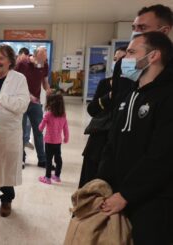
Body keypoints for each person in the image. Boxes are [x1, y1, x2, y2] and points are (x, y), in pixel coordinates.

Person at [98, 32, 173, 244]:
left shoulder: (167, 96)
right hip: (117, 194)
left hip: (153, 201)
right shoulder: (129, 94)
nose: (124, 59)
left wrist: (127, 194)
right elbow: (111, 145)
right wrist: (101, 183)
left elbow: (162, 155)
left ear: (153, 56)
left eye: (131, 52)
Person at [0, 44, 29, 217]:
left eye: (1, 58)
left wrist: (0, 98)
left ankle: (7, 199)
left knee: (7, 165)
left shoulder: (19, 79)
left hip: (9, 132)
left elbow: (22, 105)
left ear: (10, 61)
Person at [78, 47, 127, 188]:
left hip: (118, 142)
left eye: (123, 58)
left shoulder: (135, 87)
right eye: (115, 59)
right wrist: (109, 96)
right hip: (99, 138)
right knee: (90, 180)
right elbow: (92, 109)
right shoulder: (105, 84)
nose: (118, 62)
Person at [111, 4, 173, 110]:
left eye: (142, 27)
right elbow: (116, 99)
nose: (135, 32)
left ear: (164, 31)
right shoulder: (123, 62)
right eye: (134, 27)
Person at [15, 46, 52, 168]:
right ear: (35, 56)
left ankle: (42, 160)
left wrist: (48, 90)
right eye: (41, 60)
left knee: (39, 130)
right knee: (21, 132)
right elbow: (14, 81)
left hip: (35, 103)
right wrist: (27, 95)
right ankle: (21, 159)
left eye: (44, 61)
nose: (42, 64)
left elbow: (44, 81)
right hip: (22, 101)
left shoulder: (44, 65)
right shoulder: (22, 64)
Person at [38, 93, 69, 184]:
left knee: (48, 160)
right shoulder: (63, 115)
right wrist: (66, 137)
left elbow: (40, 127)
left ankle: (47, 178)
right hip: (58, 142)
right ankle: (57, 176)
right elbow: (65, 128)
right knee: (58, 159)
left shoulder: (48, 114)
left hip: (49, 141)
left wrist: (40, 125)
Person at [16, 47, 34, 151]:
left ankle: (26, 141)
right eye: (25, 56)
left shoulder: (26, 65)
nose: (26, 58)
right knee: (23, 123)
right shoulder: (14, 64)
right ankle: (22, 147)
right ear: (21, 54)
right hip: (16, 99)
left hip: (25, 98)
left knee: (27, 122)